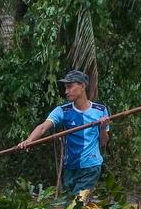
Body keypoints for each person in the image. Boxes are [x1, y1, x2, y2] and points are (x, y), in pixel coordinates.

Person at [21, 69, 109, 199]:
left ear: (83, 86)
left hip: (91, 166)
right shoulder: (62, 111)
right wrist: (28, 141)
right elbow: (43, 127)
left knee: (78, 204)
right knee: (69, 204)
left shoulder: (100, 110)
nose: (66, 92)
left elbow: (104, 142)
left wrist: (102, 128)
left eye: (70, 87)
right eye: (65, 88)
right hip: (70, 167)